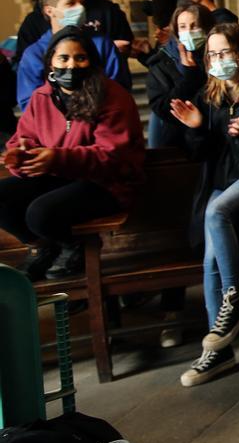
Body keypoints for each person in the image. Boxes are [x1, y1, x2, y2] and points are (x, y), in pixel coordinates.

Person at [171, 23, 239, 387]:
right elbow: (201, 154)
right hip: (221, 180)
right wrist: (198, 127)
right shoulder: (209, 95)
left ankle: (233, 300)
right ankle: (219, 352)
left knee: (216, 213)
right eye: (212, 54)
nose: (218, 60)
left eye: (224, 53)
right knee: (209, 260)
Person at [0, 28, 144, 280]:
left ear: (92, 61)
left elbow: (111, 156)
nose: (71, 65)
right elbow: (24, 138)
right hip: (58, 174)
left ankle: (72, 245)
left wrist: (56, 157)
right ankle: (44, 247)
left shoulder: (112, 95)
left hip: (107, 182)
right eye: (63, 58)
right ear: (51, 62)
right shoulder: (41, 97)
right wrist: (19, 156)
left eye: (80, 58)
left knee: (40, 213)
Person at [17, 0, 130, 110]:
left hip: (100, 120)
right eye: (71, 3)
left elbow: (119, 87)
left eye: (81, 2)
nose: (80, 8)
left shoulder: (101, 43)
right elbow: (29, 104)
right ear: (49, 10)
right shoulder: (34, 54)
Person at [145, 4, 212, 150]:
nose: (188, 32)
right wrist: (189, 79)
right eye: (183, 27)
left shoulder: (219, 57)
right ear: (176, 31)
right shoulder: (161, 63)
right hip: (178, 142)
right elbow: (162, 108)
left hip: (216, 137)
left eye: (195, 26)